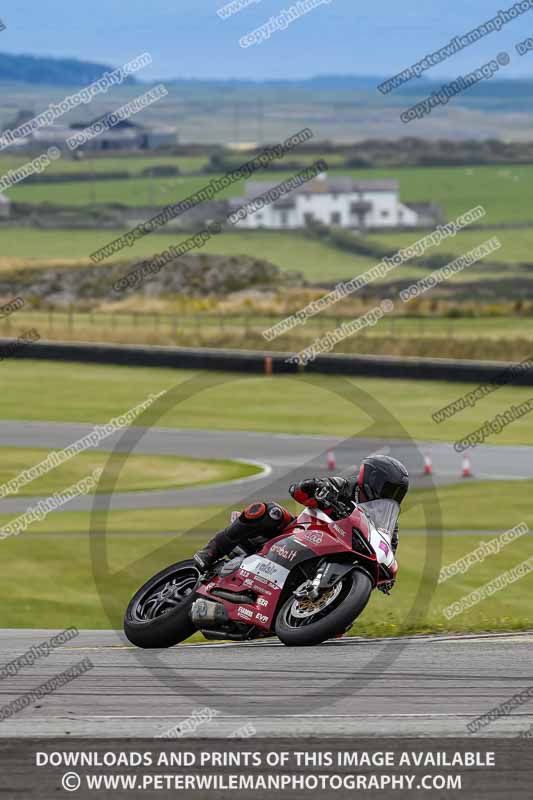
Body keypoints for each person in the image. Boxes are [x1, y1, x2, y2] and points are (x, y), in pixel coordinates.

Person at [193, 455, 409, 576]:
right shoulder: (345, 486)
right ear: (374, 479)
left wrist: (387, 572)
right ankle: (211, 552)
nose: (392, 495)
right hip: (304, 533)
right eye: (390, 488)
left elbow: (386, 551)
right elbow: (299, 491)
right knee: (269, 512)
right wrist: (312, 487)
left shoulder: (390, 525)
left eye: (398, 491)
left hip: (338, 554)